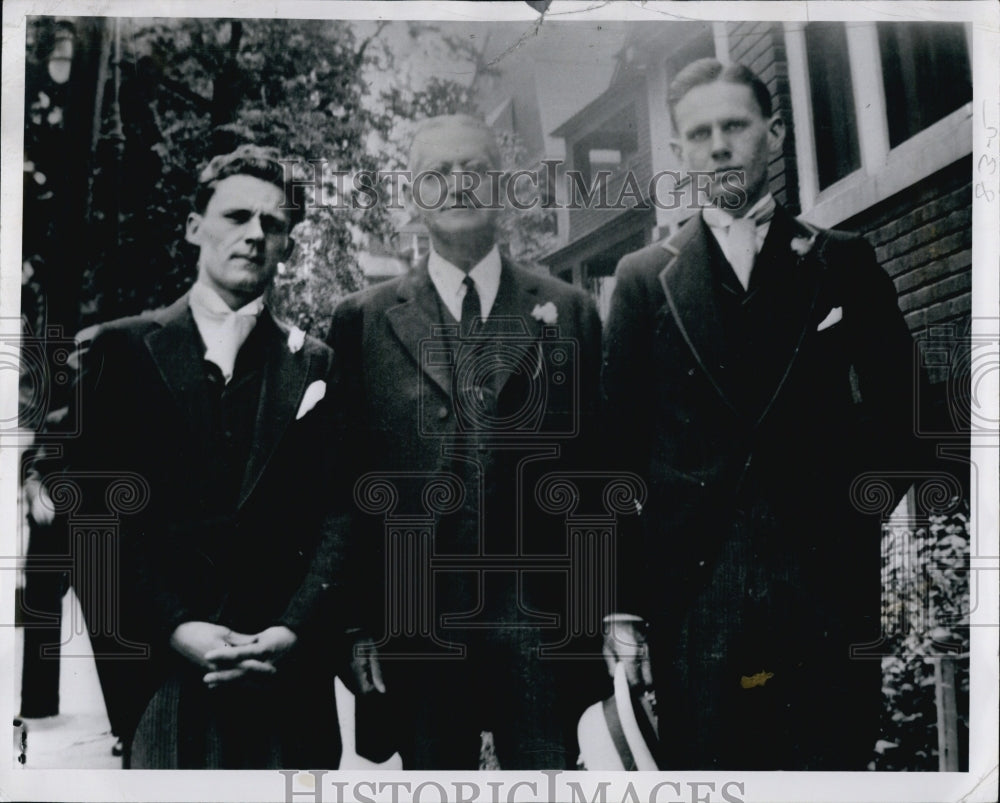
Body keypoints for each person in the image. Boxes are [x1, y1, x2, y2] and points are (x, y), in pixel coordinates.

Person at [601, 59, 927, 770]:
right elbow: (616, 453)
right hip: (697, 604)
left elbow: (914, 414)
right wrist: (623, 608)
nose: (719, 145)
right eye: (700, 132)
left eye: (735, 126)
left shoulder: (842, 260)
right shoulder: (641, 281)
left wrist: (847, 511)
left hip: (825, 596)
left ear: (774, 133)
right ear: (681, 151)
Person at [33, 145, 349, 768]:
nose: (255, 235)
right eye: (236, 217)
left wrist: (292, 630)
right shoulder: (118, 352)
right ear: (194, 228)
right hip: (165, 680)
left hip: (286, 680)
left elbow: (342, 512)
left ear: (287, 244)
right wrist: (176, 627)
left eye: (274, 224)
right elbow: (93, 517)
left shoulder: (317, 364)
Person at [327, 114, 603, 769]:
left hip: (541, 622)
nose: (456, 185)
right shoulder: (362, 321)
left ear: (501, 185)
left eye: (472, 169)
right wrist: (356, 624)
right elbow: (341, 483)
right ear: (412, 195)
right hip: (418, 625)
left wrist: (600, 616)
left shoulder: (569, 310)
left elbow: (598, 473)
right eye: (435, 174)